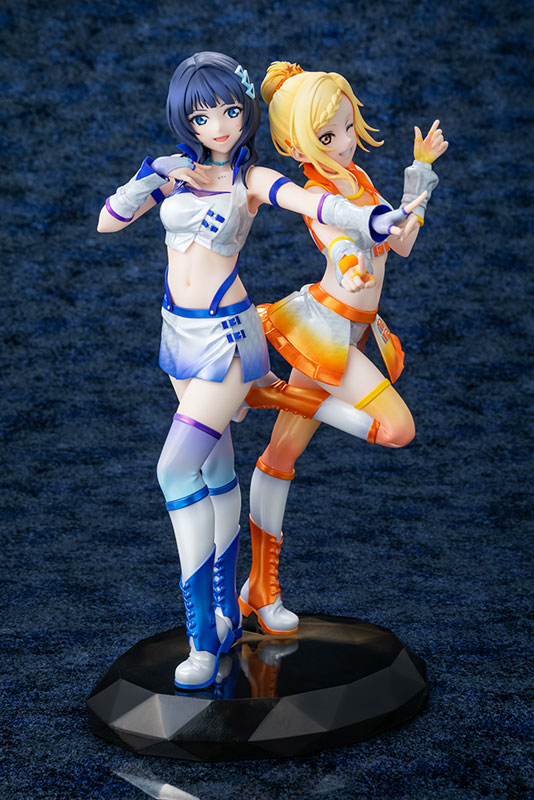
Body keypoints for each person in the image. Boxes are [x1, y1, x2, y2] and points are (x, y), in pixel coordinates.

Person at [97, 52, 421, 689]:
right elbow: (108, 221)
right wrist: (149, 176)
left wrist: (370, 217)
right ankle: (224, 617)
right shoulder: (175, 174)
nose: (219, 125)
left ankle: (199, 639)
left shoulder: (251, 178)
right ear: (185, 120)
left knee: (173, 471)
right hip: (177, 336)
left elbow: (310, 202)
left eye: (230, 111)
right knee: (216, 475)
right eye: (203, 116)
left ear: (245, 112)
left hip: (227, 338)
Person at [238, 61, 448, 636]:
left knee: (279, 457)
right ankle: (268, 394)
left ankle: (259, 588)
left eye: (347, 127)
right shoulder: (317, 190)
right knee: (396, 429)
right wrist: (349, 261)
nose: (344, 142)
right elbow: (331, 235)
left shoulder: (359, 178)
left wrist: (420, 174)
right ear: (294, 146)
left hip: (351, 330)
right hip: (325, 325)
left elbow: (401, 243)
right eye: (326, 136)